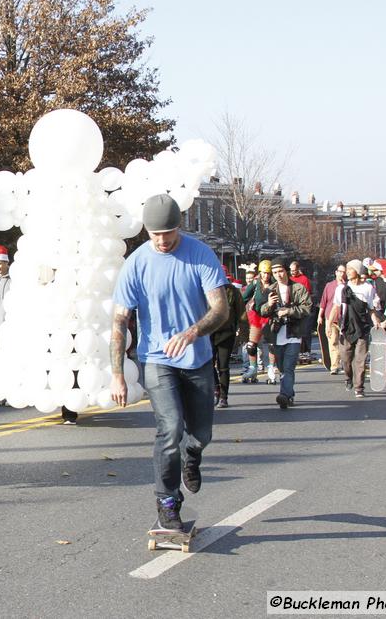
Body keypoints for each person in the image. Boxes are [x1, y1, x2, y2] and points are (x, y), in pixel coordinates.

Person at [109, 193, 229, 532]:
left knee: (200, 434)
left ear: (180, 227)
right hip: (157, 359)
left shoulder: (200, 255)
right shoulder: (136, 263)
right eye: (155, 234)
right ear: (146, 230)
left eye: (168, 233)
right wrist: (117, 373)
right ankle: (167, 502)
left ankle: (193, 454)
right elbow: (119, 321)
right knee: (170, 427)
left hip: (197, 357)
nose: (162, 241)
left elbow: (220, 310)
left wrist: (191, 333)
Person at [259, 257, 312, 408]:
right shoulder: (270, 290)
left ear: (286, 271)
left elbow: (307, 308)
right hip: (276, 334)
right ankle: (289, 394)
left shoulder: (298, 288)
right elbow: (261, 310)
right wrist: (269, 305)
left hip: (293, 333)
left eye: (280, 271)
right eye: (274, 272)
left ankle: (283, 395)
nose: (278, 275)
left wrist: (289, 311)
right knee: (282, 367)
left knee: (289, 366)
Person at [329, 259, 382, 399]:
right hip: (346, 327)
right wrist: (328, 323)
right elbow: (336, 307)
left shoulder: (368, 288)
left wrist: (375, 320)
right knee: (346, 358)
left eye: (350, 269)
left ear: (357, 271)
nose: (347, 272)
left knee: (360, 360)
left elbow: (371, 308)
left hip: (362, 327)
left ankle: (359, 387)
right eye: (346, 269)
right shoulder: (341, 288)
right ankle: (348, 377)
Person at [211, 266, 246, 408]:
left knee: (223, 366)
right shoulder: (204, 290)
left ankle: (224, 397)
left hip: (226, 333)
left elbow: (242, 314)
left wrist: (243, 334)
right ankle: (215, 388)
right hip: (208, 333)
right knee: (208, 364)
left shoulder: (233, 292)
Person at [241, 259, 275, 382]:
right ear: (260, 272)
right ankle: (253, 368)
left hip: (270, 316)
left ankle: (271, 368)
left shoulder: (274, 284)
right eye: (264, 273)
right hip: (256, 315)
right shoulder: (255, 283)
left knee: (272, 345)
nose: (266, 276)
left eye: (268, 273)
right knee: (251, 345)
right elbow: (244, 297)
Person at [316, 265, 346, 375]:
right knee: (332, 341)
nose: (342, 274)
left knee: (344, 342)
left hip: (344, 318)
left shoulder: (347, 286)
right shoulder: (329, 286)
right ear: (336, 272)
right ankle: (334, 366)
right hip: (330, 317)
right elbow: (323, 301)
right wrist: (320, 316)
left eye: (344, 272)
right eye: (340, 271)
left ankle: (344, 363)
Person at [288, 261, 314, 362]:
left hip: (302, 309)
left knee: (305, 331)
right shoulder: (289, 279)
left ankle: (306, 352)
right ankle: (296, 352)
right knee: (294, 332)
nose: (293, 272)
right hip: (292, 308)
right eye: (291, 270)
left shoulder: (304, 279)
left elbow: (307, 295)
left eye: (294, 270)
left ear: (298, 269)